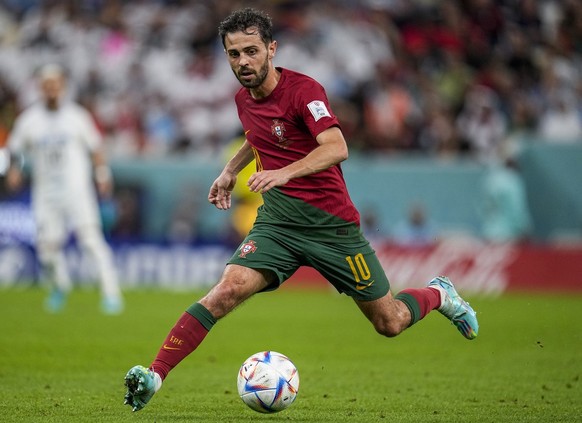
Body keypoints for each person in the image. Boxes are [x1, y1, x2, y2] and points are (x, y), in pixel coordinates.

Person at [123, 8, 479, 412]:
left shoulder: (304, 91)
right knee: (225, 292)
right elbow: (256, 136)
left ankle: (439, 294)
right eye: (234, 54)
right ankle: (154, 376)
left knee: (391, 322)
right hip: (277, 226)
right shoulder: (243, 99)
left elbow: (336, 146)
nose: (243, 62)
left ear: (272, 49)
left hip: (332, 228)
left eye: (252, 51)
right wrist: (229, 171)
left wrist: (283, 173)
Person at [4, 64, 124, 315]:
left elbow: (96, 148)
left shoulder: (77, 116)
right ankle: (60, 286)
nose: (51, 90)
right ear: (41, 88)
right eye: (47, 86)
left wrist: (102, 175)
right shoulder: (30, 120)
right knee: (47, 246)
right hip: (46, 192)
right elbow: (15, 149)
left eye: (55, 85)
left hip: (76, 190)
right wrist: (14, 170)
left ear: (62, 87)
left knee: (90, 241)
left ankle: (111, 293)